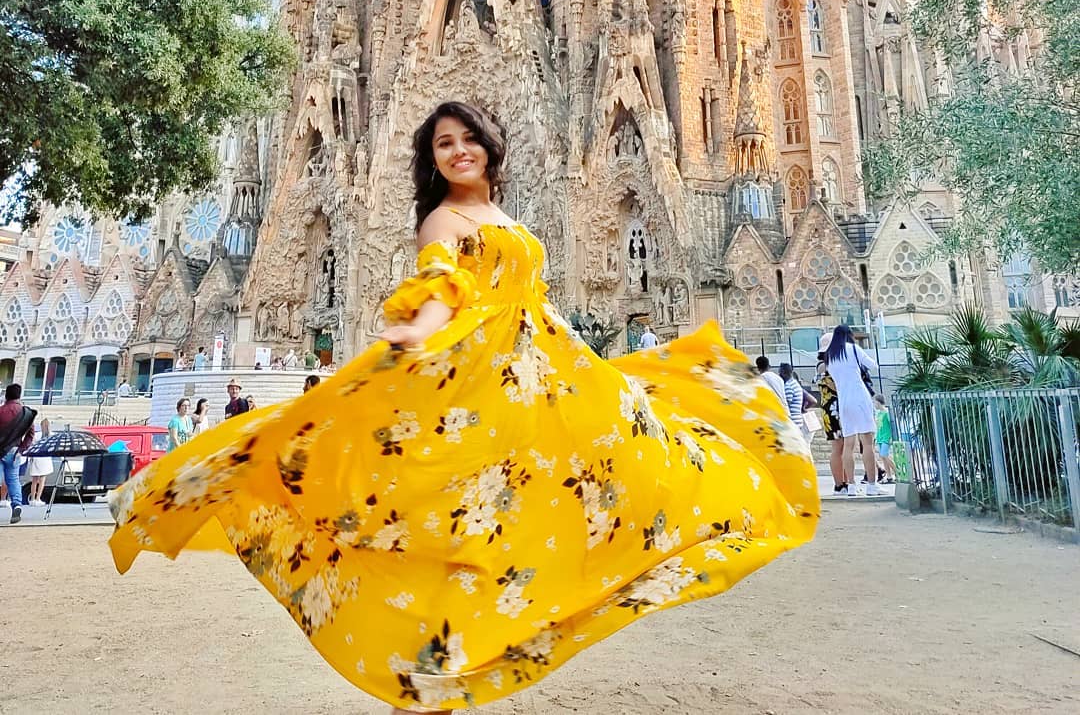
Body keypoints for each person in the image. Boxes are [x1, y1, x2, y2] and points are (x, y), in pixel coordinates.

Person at [108, 101, 818, 710]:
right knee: (466, 532)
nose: (457, 151)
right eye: (442, 144)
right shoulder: (443, 223)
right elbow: (441, 285)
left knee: (643, 467)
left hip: (551, 376)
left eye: (466, 138)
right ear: (432, 161)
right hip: (493, 386)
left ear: (487, 144)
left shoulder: (499, 211)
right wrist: (414, 327)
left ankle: (439, 675)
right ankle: (429, 674)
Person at [822, 326, 882, 496]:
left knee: (848, 445)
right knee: (868, 443)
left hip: (844, 401)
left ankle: (852, 486)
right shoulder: (854, 349)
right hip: (860, 398)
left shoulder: (830, 356)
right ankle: (872, 485)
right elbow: (873, 365)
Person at [0, 383, 35, 524]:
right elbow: (31, 433)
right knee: (13, 479)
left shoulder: (1, 411)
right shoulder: (26, 413)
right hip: (15, 451)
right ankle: (17, 504)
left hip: (0, 450)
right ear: (19, 395)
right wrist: (22, 448)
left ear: (6, 395)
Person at [816, 354, 846, 494]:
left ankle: (844, 482)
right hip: (833, 411)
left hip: (833, 410)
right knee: (838, 446)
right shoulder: (826, 367)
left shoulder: (823, 367)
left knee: (843, 447)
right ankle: (839, 484)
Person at [26, 416, 54, 505]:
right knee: (42, 480)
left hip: (36, 458)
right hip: (45, 459)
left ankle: (33, 499)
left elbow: (32, 445)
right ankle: (38, 498)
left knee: (34, 480)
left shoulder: (37, 435)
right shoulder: (51, 435)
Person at [874, 394, 896, 483]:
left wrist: (891, 437)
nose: (874, 404)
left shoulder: (886, 413)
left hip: (886, 437)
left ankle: (897, 473)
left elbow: (891, 425)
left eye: (875, 402)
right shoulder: (878, 413)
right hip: (880, 437)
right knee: (883, 457)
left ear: (879, 402)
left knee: (885, 455)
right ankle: (889, 476)